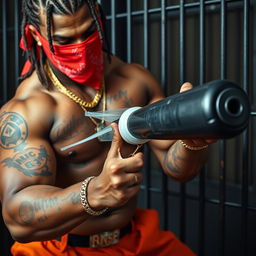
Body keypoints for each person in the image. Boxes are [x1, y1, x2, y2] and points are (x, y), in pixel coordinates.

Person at [0, 1, 214, 255]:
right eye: (65, 40)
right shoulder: (29, 108)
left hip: (135, 238)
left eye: (89, 32)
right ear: (36, 35)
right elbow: (16, 217)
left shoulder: (135, 80)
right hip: (61, 247)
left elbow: (177, 167)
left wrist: (192, 141)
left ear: (99, 20)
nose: (80, 46)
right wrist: (93, 192)